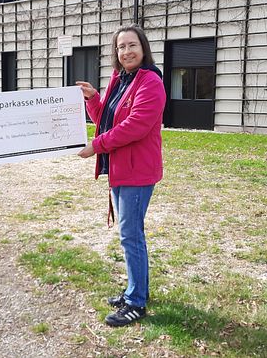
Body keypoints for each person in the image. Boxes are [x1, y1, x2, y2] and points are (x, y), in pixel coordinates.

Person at [76, 24, 166, 327]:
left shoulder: (151, 82)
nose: (126, 51)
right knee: (129, 235)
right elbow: (106, 119)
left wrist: (96, 146)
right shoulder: (119, 78)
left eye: (131, 45)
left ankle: (137, 302)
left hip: (137, 172)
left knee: (131, 236)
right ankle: (134, 290)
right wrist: (92, 99)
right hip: (119, 168)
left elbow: (135, 126)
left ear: (143, 48)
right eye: (120, 47)